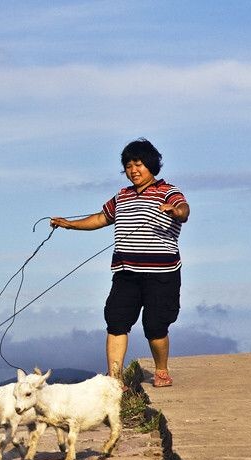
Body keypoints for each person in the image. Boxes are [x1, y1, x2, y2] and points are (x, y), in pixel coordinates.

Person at [50, 138, 189, 387]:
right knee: (115, 322)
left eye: (139, 164)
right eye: (128, 165)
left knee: (156, 326)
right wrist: (70, 224)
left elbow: (184, 209)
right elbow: (101, 218)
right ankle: (115, 379)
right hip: (125, 272)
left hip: (162, 273)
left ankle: (161, 371)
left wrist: (175, 210)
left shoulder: (168, 191)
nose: (133, 170)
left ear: (151, 165)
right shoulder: (122, 196)